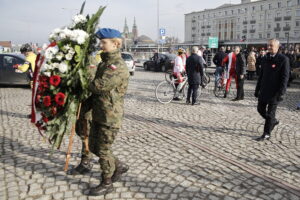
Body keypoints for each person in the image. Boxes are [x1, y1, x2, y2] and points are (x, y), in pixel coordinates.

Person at [87, 28, 130, 195]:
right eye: (101, 42)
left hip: (110, 116)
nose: (101, 45)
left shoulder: (117, 66)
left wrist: (85, 75)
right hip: (99, 112)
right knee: (93, 146)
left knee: (103, 150)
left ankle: (107, 182)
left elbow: (99, 86)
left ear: (115, 43)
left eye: (104, 42)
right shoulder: (103, 63)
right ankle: (118, 165)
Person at [254, 39, 289, 141]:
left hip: (275, 92)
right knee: (260, 109)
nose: (269, 47)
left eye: (271, 46)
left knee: (270, 113)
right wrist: (257, 89)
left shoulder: (283, 59)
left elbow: (285, 77)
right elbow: (261, 75)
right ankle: (272, 121)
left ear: (277, 47)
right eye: (268, 45)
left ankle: (266, 133)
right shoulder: (265, 58)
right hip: (264, 90)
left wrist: (281, 92)